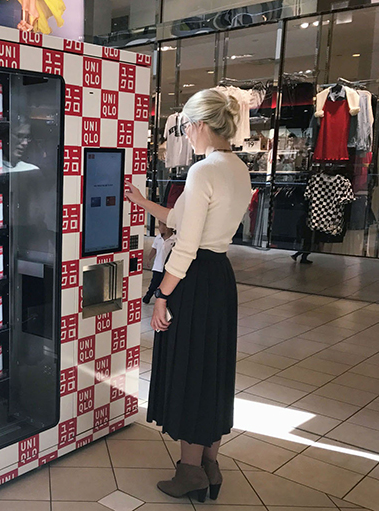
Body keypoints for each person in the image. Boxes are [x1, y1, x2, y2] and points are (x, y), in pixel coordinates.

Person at [125, 88, 252, 503]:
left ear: (198, 125)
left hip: (193, 279)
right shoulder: (237, 168)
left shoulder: (202, 172)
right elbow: (182, 218)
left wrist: (162, 294)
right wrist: (144, 203)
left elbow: (186, 243)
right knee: (212, 368)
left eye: (184, 129)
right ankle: (211, 466)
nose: (185, 137)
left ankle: (190, 472)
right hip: (220, 278)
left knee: (189, 368)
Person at [143, 222, 176, 304]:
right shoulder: (158, 238)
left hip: (168, 267)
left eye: (160, 226)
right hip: (157, 266)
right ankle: (148, 297)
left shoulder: (175, 239)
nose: (159, 228)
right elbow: (154, 249)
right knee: (154, 283)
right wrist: (149, 258)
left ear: (166, 227)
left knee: (166, 284)